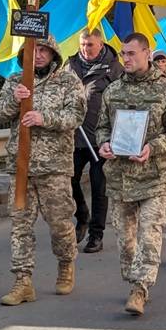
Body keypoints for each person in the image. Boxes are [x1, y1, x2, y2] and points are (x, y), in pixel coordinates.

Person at [96, 33, 166, 316]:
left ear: (147, 54)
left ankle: (140, 289)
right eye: (123, 54)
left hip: (154, 177)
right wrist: (104, 144)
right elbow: (101, 127)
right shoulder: (113, 91)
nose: (126, 59)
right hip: (121, 178)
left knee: (149, 234)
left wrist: (151, 147)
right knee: (126, 242)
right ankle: (133, 278)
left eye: (132, 54)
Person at [0, 35, 86, 306]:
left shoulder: (67, 81)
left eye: (44, 50)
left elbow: (76, 116)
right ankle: (22, 281)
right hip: (20, 166)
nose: (38, 55)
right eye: (33, 50)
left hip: (54, 167)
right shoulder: (15, 80)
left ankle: (66, 263)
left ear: (53, 54)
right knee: (20, 225)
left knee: (59, 224)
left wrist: (45, 119)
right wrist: (15, 99)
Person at [66, 28, 123, 254]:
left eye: (90, 45)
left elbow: (121, 102)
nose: (85, 49)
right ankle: (82, 215)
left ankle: (96, 235)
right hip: (73, 136)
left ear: (101, 45)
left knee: (100, 187)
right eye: (82, 44)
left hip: (101, 138)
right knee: (68, 181)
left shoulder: (114, 68)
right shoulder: (69, 67)